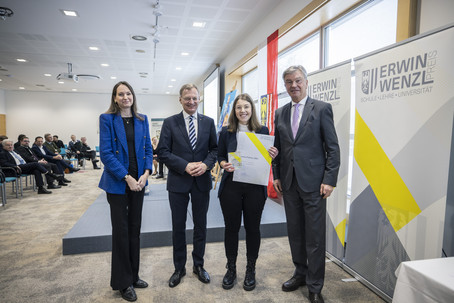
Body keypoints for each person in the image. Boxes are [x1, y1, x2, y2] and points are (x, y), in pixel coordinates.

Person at [272, 65, 340, 303]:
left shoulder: (321, 109)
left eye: (298, 81)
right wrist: (276, 175)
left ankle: (315, 286)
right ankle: (300, 274)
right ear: (285, 85)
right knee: (296, 234)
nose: (294, 86)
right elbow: (277, 149)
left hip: (314, 185)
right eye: (289, 82)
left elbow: (332, 148)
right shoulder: (279, 113)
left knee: (314, 237)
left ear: (306, 82)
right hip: (289, 183)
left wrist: (329, 180)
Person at [157, 83, 217, 288]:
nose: (191, 101)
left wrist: (205, 165)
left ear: (199, 99)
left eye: (194, 98)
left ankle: (198, 265)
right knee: (178, 227)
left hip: (201, 181)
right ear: (180, 100)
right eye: (187, 98)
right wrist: (184, 166)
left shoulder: (208, 122)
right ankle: (179, 267)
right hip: (178, 181)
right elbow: (163, 152)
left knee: (201, 226)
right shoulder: (170, 123)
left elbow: (215, 150)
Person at [98, 81, 153, 302]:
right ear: (114, 98)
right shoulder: (107, 119)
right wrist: (127, 177)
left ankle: (134, 275)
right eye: (120, 94)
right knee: (121, 233)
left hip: (139, 182)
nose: (125, 97)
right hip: (119, 184)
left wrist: (146, 173)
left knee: (135, 230)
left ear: (133, 96)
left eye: (128, 93)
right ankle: (123, 282)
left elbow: (148, 148)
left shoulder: (142, 119)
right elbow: (106, 154)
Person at [217, 93, 278, 291]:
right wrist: (223, 163)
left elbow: (269, 158)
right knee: (231, 229)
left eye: (246, 107)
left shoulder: (263, 130)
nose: (242, 110)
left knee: (253, 229)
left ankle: (250, 269)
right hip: (231, 187)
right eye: (238, 107)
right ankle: (231, 268)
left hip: (254, 188)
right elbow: (219, 156)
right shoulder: (226, 132)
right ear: (234, 111)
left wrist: (273, 154)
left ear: (252, 109)